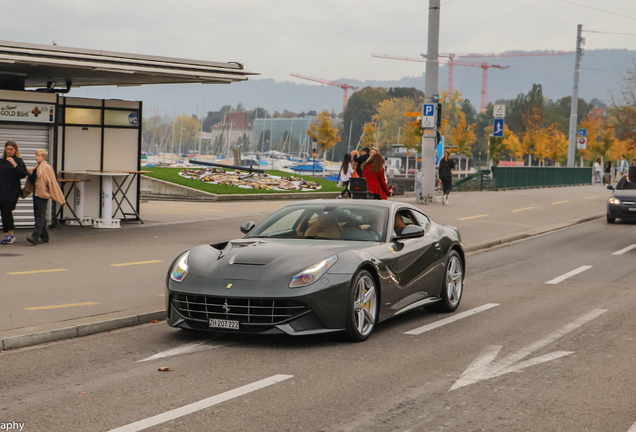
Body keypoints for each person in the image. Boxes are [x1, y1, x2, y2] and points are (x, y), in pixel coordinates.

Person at [22, 149, 65, 245]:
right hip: (36, 193)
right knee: (40, 215)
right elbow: (33, 181)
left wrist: (57, 195)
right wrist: (31, 173)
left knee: (39, 216)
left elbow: (52, 181)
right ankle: (44, 236)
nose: (36, 157)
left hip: (42, 194)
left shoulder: (47, 167)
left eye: (38, 155)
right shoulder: (36, 167)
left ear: (44, 157)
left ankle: (35, 237)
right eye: (36, 155)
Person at [0, 141, 28, 244]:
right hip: (2, 191)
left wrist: (14, 164)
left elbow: (23, 174)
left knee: (7, 211)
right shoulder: (1, 161)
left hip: (12, 191)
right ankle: (6, 234)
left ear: (15, 150)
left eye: (11, 149)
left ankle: (11, 234)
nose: (9, 151)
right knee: (3, 212)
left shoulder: (18, 161)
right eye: (7, 149)